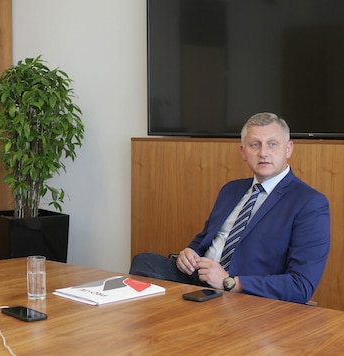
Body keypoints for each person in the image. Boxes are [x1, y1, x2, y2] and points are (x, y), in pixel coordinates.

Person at [129, 113, 330, 304]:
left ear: (288, 149)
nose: (263, 153)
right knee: (144, 262)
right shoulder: (231, 190)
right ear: (243, 152)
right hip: (199, 279)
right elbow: (204, 239)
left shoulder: (309, 203)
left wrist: (230, 281)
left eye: (272, 144)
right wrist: (189, 253)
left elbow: (301, 285)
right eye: (254, 145)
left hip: (243, 293)